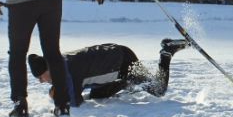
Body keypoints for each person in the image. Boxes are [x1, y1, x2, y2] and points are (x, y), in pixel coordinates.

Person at [28, 39, 189, 106]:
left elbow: (74, 101)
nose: (41, 81)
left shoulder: (67, 71)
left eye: (41, 77)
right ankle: (128, 84)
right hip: (113, 57)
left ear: (48, 69)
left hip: (121, 61)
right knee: (99, 95)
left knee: (158, 89)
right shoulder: (61, 62)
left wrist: (55, 94)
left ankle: (166, 52)